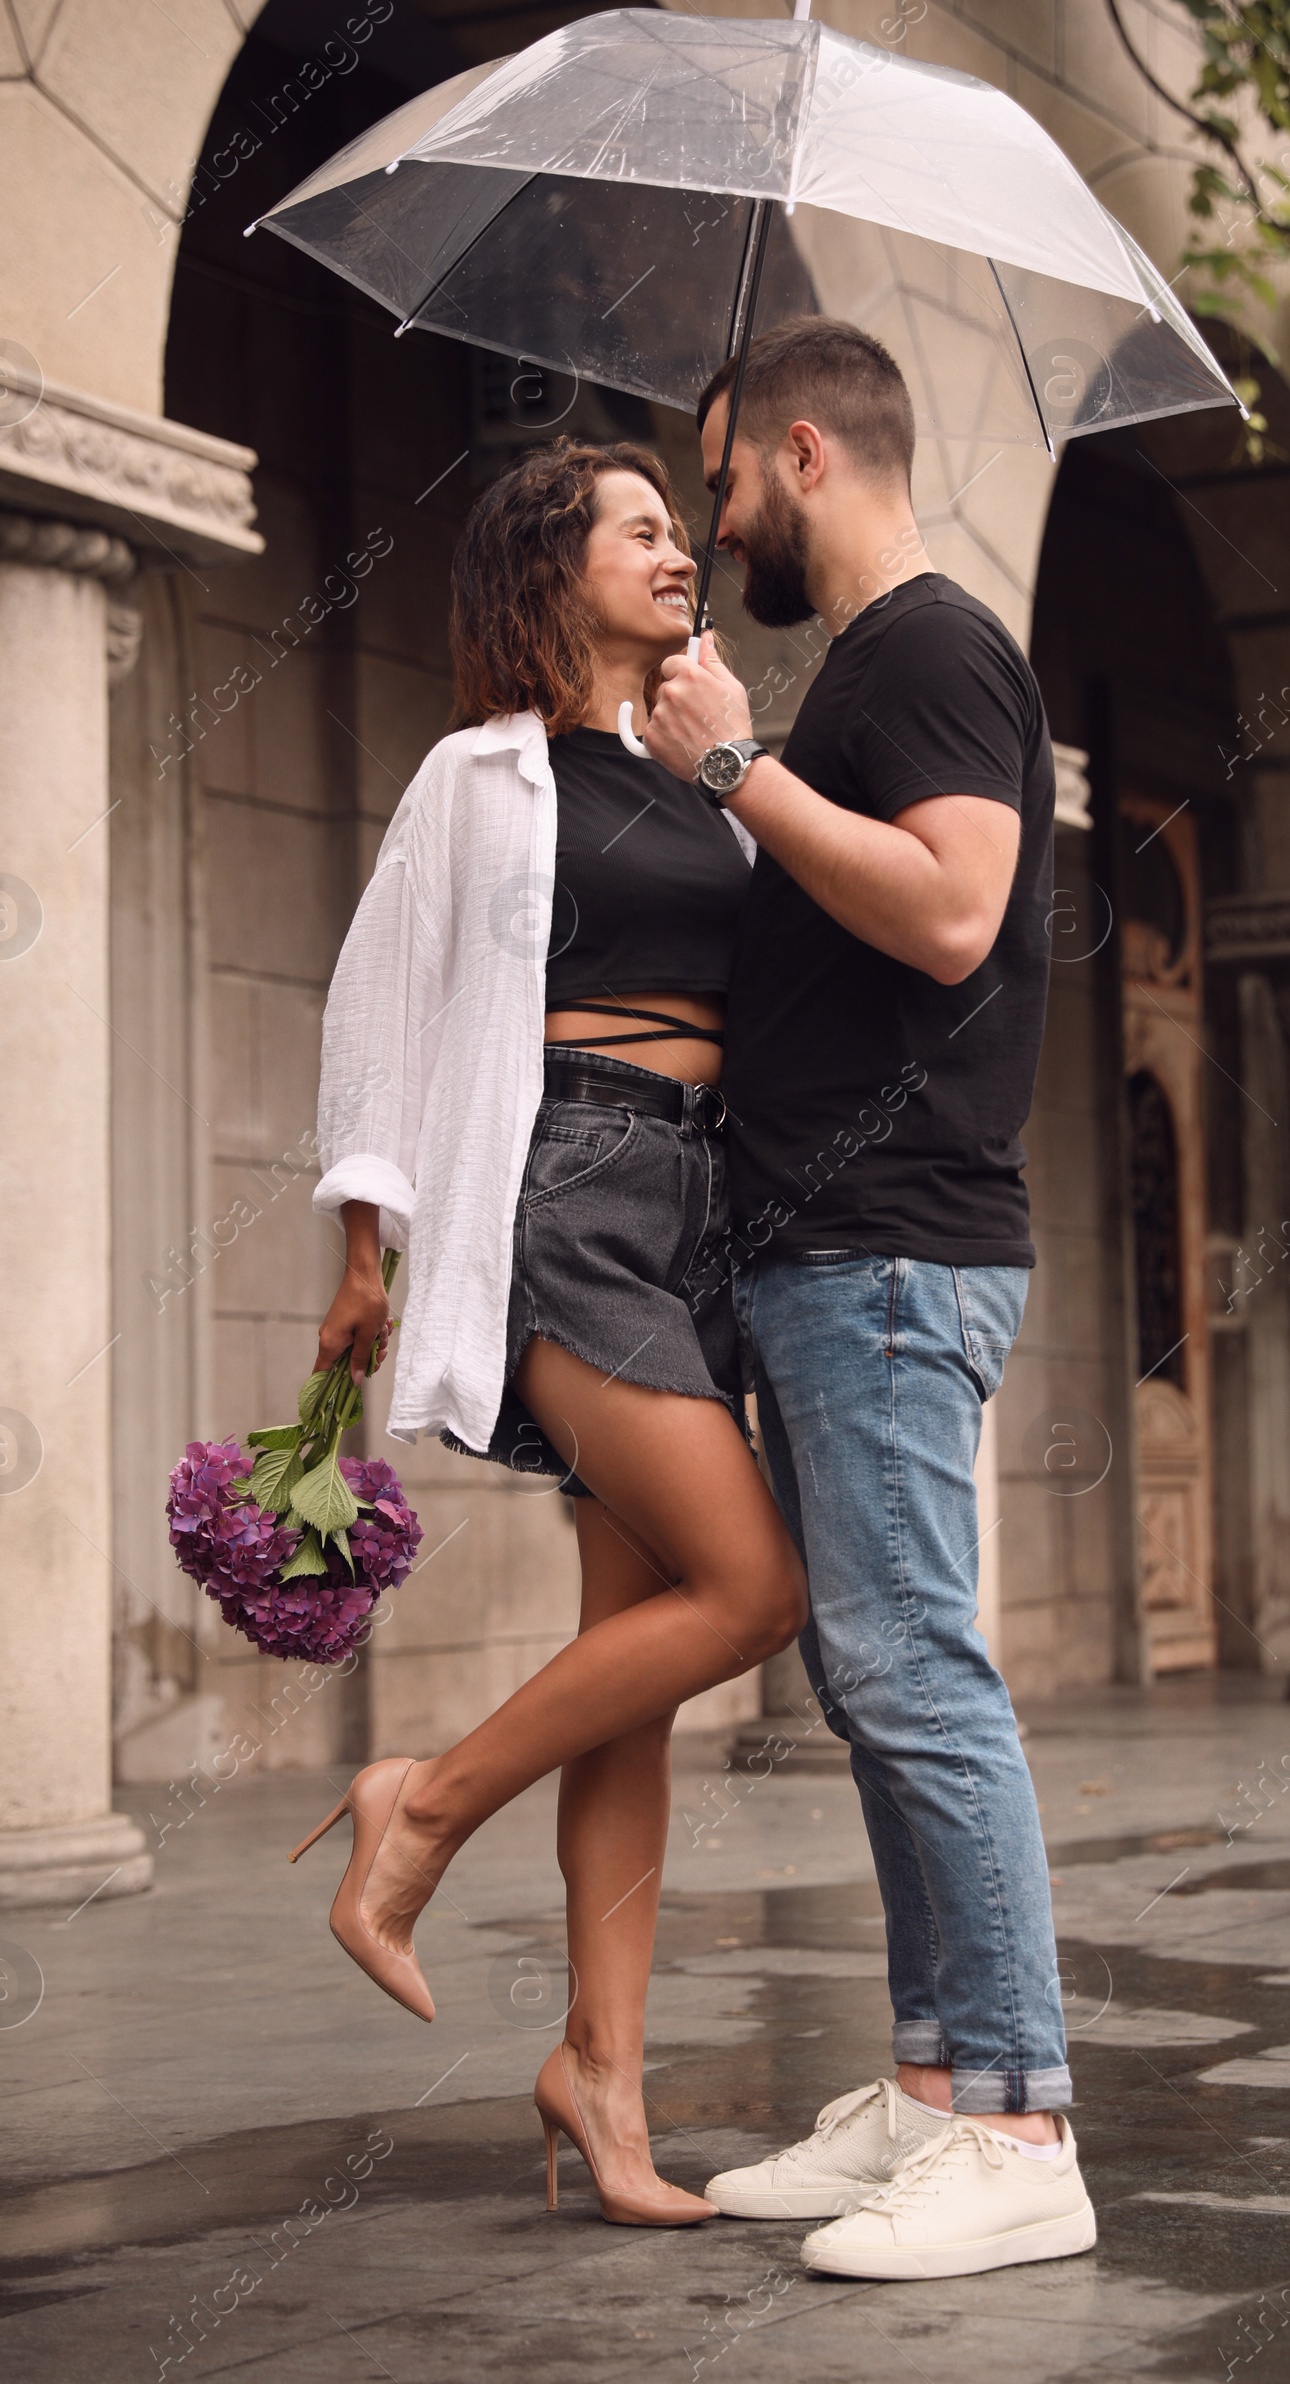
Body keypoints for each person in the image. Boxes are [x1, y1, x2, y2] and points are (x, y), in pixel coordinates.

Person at [294, 439, 807, 2228]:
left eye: (685, 530)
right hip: (567, 1191)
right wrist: (369, 1248)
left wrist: (735, 749)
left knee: (637, 1670)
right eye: (645, 532)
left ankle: (603, 2075)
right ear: (550, 565)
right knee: (753, 1594)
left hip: (702, 1206)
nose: (681, 553)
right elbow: (378, 1003)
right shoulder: (480, 779)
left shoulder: (709, 771)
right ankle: (419, 1809)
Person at [642, 316, 1097, 2280]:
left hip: (895, 1250)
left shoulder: (927, 650)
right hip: (844, 1254)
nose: (710, 515)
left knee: (916, 1675)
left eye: (720, 476)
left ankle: (1015, 2122)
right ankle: (928, 2088)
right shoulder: (873, 669)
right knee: (872, 1677)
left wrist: (733, 764)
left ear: (804, 452)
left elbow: (948, 908)